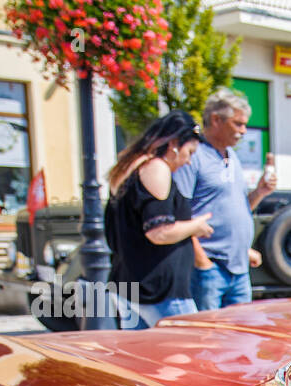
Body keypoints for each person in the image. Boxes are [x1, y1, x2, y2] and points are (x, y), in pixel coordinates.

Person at [104, 110, 213, 327]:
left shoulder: (129, 167)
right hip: (159, 292)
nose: (189, 162)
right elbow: (159, 231)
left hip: (131, 286)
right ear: (174, 143)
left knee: (141, 358)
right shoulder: (156, 168)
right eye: (189, 152)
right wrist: (195, 226)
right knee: (185, 355)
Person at [173, 88, 277, 311]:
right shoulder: (194, 156)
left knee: (239, 340)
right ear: (216, 119)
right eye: (237, 123)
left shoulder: (232, 156)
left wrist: (259, 192)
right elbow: (180, 214)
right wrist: (202, 262)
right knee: (210, 340)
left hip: (238, 269)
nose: (243, 130)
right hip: (210, 269)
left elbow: (238, 207)